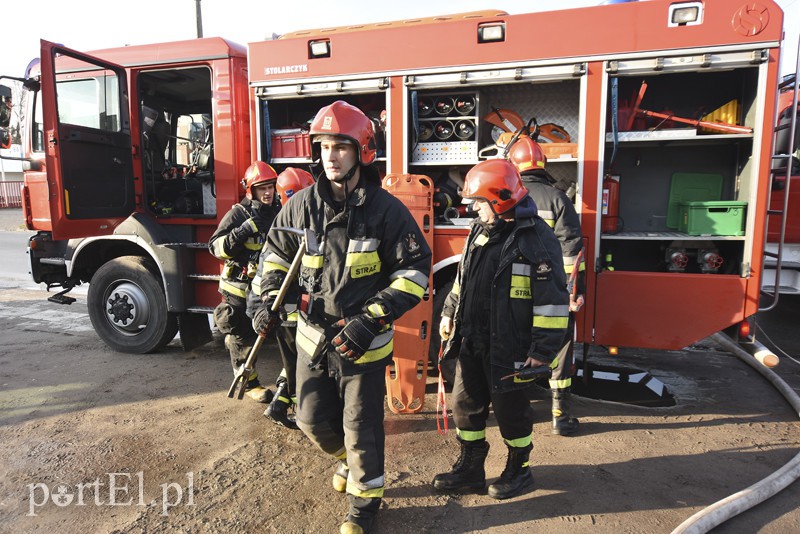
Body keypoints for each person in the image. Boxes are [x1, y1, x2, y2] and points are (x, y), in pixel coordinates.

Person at [253, 100, 431, 534]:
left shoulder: (387, 211)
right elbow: (273, 258)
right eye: (324, 146)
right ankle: (348, 464)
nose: (331, 156)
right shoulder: (300, 207)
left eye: (341, 147)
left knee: (361, 427)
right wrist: (266, 300)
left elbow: (413, 271)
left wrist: (371, 319)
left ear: (362, 152)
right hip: (312, 339)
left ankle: (364, 509)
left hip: (363, 341)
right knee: (311, 420)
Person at [433, 158, 571, 500]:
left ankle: (518, 470)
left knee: (512, 414)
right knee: (466, 406)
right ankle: (471, 469)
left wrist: (542, 351)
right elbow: (462, 280)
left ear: (500, 199)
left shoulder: (536, 239)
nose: (474, 209)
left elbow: (553, 301)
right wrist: (450, 312)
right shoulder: (481, 231)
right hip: (472, 339)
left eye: (479, 203)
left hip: (510, 346)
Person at [508, 136, 585, 436]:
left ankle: (517, 410)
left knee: (514, 346)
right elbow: (572, 249)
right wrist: (570, 294)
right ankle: (559, 416)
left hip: (516, 294)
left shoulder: (509, 195)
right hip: (551, 293)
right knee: (560, 346)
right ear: (542, 165)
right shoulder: (558, 198)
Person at [249, 167, 316, 429]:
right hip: (279, 306)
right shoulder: (291, 227)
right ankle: (294, 410)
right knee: (299, 361)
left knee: (293, 361)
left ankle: (278, 404)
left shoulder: (286, 219)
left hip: (277, 304)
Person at [209, 161, 280, 403]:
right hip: (238, 288)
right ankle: (249, 384)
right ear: (251, 190)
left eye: (271, 186)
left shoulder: (278, 210)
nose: (268, 192)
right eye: (262, 188)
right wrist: (240, 232)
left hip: (265, 288)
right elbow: (215, 247)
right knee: (242, 336)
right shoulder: (239, 213)